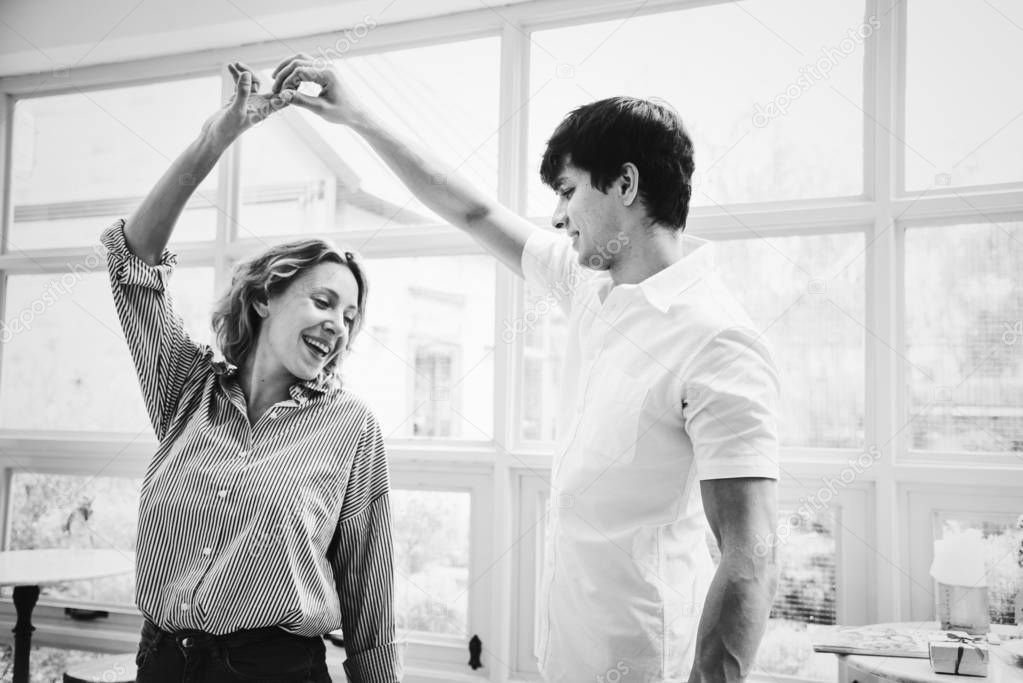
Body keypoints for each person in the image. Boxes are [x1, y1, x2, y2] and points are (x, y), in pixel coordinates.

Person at [264, 55, 782, 683]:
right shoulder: (590, 287)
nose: (559, 217)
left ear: (624, 184)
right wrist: (358, 117)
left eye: (568, 191)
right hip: (564, 658)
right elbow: (474, 213)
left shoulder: (717, 339)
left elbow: (750, 553)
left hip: (648, 668)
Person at [102, 63, 400, 682]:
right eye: (323, 302)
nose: (338, 326)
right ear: (265, 297)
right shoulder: (186, 389)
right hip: (162, 663)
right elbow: (133, 260)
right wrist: (219, 136)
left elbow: (372, 616)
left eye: (350, 316)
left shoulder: (351, 429)